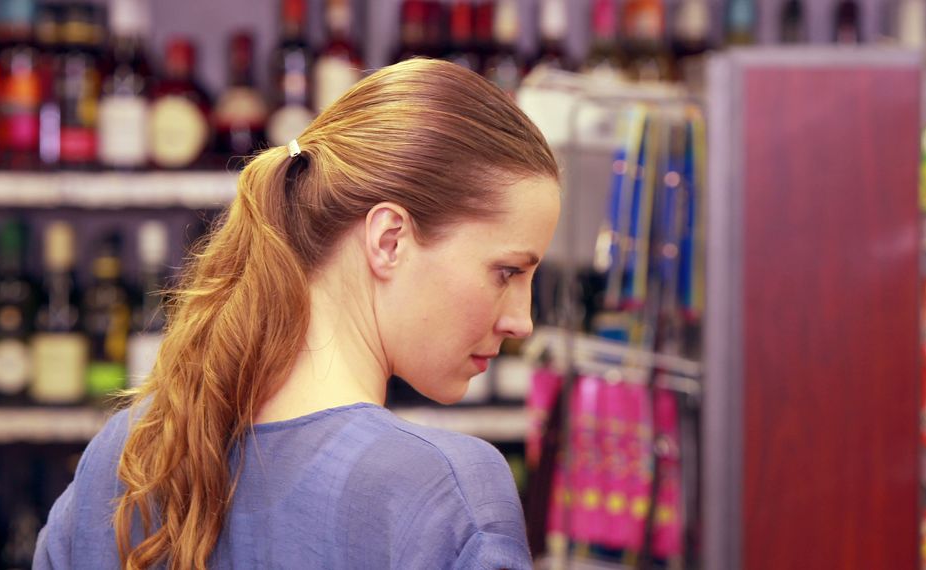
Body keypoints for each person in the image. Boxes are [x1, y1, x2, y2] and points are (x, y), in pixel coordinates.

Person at [33, 58, 561, 569]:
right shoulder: (446, 493)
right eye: (508, 272)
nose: (522, 322)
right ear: (389, 240)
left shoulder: (129, 452)